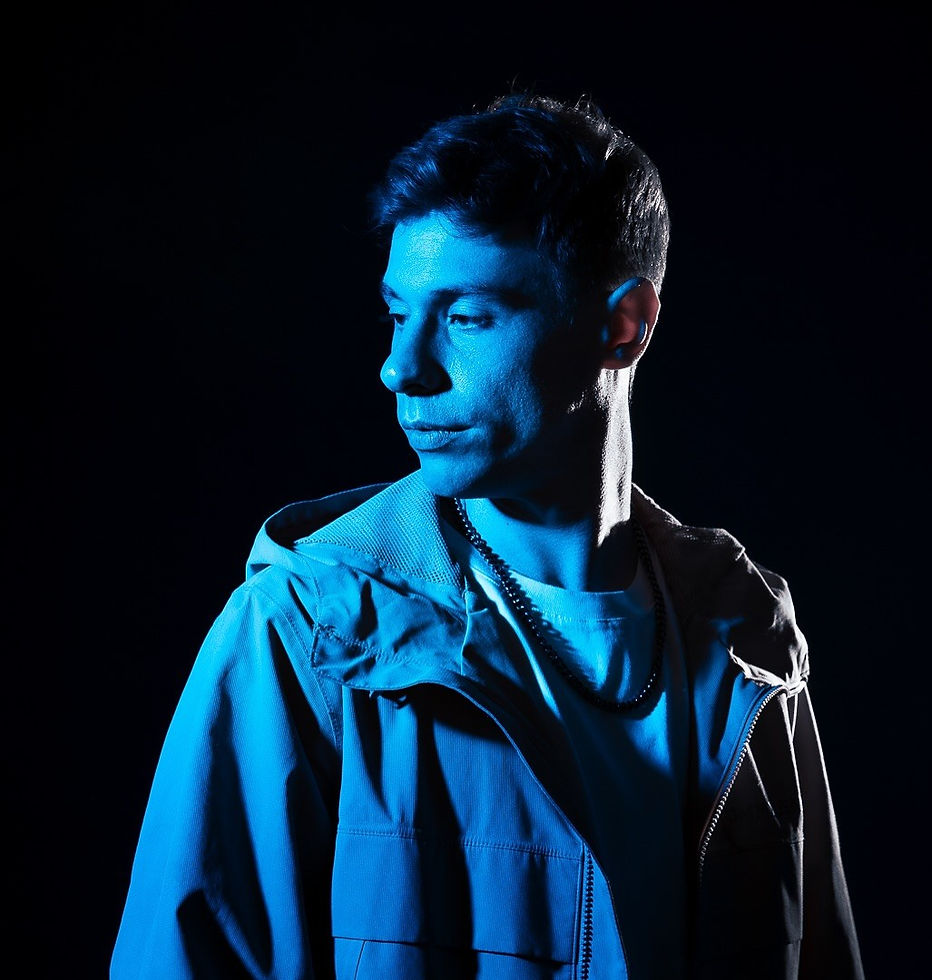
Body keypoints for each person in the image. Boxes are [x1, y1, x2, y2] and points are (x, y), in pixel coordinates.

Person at [112, 93, 864, 979]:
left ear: (622, 326)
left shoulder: (750, 645)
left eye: (466, 318)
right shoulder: (310, 632)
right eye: (398, 313)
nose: (402, 367)